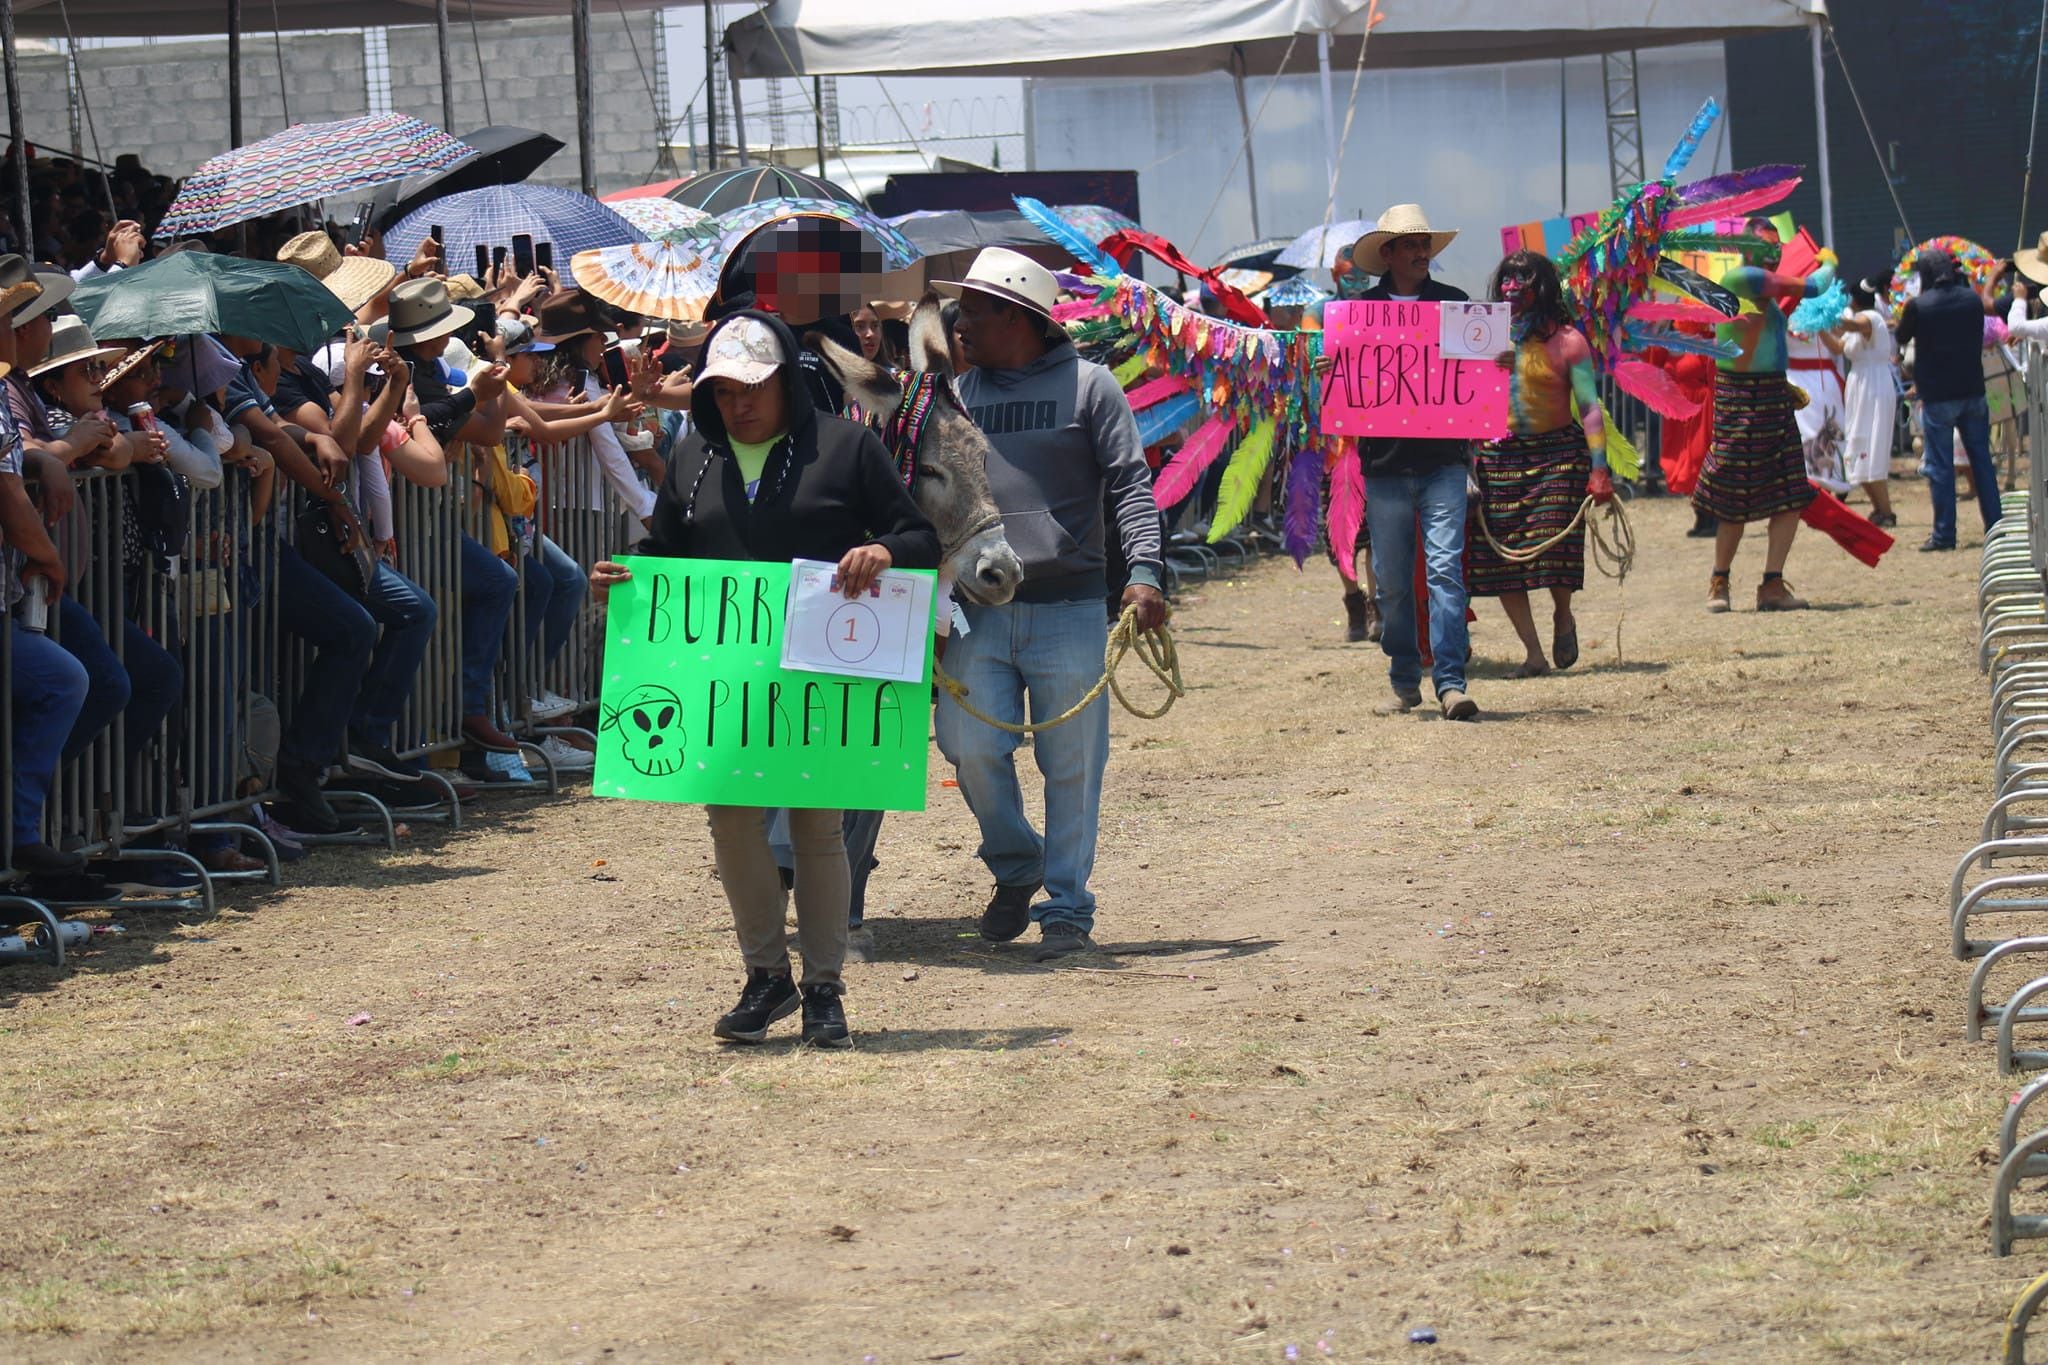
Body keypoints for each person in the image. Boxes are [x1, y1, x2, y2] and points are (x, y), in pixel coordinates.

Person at [588, 312, 938, 1048]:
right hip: (727, 681)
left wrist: (881, 549)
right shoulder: (692, 459)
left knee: (817, 827)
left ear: (785, 383)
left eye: (754, 387)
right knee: (731, 818)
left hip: (823, 673)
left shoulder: (847, 448)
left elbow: (921, 537)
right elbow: (666, 552)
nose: (737, 403)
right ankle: (766, 975)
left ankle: (823, 987)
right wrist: (623, 578)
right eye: (722, 391)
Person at [933, 246, 1167, 960]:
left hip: (1068, 603)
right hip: (978, 609)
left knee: (1071, 763)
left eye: (973, 310)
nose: (959, 323)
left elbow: (1130, 482)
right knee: (966, 743)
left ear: (1017, 316)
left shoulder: (1092, 387)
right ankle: (1017, 862)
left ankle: (1067, 906)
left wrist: (1148, 570)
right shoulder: (958, 395)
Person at [1328, 204, 1479, 720]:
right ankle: (1403, 672)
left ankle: (1452, 681)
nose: (1422, 252)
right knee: (1391, 583)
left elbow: (1478, 378)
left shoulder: (1456, 305)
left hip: (1444, 463)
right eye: (1411, 244)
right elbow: (1336, 392)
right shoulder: (1357, 315)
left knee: (1444, 572)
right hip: (1385, 467)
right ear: (1388, 253)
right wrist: (1329, 367)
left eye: (1426, 244)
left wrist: (1496, 361)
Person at [1466, 252, 1613, 677]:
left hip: (1559, 455)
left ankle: (1562, 616)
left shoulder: (1569, 340)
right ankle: (1532, 653)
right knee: (1504, 559)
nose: (1512, 287)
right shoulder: (1483, 335)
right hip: (1498, 456)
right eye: (1507, 278)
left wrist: (1599, 468)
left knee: (1555, 548)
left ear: (1543, 286)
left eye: (1523, 279)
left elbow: (1589, 407)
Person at [1692, 219, 1833, 609]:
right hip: (1740, 399)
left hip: (1771, 394)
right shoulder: (1743, 278)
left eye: (1777, 246)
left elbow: (1759, 340)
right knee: (1735, 496)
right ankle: (1719, 581)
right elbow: (1816, 286)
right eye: (1764, 246)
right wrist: (1830, 260)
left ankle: (1772, 583)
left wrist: (1781, 385)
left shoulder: (1764, 293)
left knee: (1790, 493)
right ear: (1744, 248)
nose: (1772, 254)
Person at [1896, 248, 1998, 552]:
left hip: (1938, 395)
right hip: (1973, 389)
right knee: (1982, 461)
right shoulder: (1972, 300)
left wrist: (1913, 305)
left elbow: (1901, 337)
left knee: (1941, 466)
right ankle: (1995, 527)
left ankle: (1944, 535)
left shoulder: (1919, 305)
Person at [1824, 276, 1898, 527]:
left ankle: (1886, 511)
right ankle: (1879, 509)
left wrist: (1825, 313)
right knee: (1857, 444)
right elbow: (1836, 345)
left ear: (1855, 301)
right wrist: (1818, 326)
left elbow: (1852, 325)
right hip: (1859, 384)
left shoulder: (1871, 319)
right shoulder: (1854, 326)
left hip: (1875, 384)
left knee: (1872, 444)